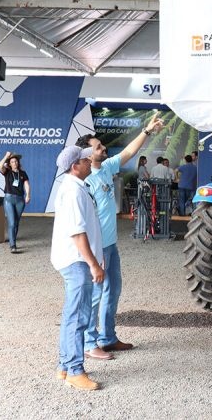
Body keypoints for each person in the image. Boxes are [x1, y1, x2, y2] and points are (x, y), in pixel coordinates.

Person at [75, 113, 164, 361]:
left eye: (101, 145)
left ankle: (107, 338)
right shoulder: (84, 180)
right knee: (95, 295)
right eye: (98, 147)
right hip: (96, 247)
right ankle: (89, 343)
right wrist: (92, 254)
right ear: (86, 154)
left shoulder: (104, 168)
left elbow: (127, 153)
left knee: (112, 290)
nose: (103, 148)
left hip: (110, 245)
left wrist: (147, 131)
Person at [51, 145, 104, 391]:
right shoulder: (73, 192)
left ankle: (64, 365)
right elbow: (77, 232)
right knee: (78, 316)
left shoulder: (75, 188)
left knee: (74, 314)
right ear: (75, 166)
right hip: (77, 262)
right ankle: (74, 370)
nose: (90, 160)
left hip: (76, 260)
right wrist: (93, 264)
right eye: (85, 159)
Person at [0, 152, 31, 253]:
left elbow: (27, 185)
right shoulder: (7, 172)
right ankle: (13, 245)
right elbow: (0, 166)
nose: (14, 163)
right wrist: (6, 156)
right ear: (9, 163)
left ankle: (13, 240)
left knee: (16, 223)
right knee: (12, 222)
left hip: (20, 200)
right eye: (12, 161)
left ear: (18, 162)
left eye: (16, 161)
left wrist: (28, 195)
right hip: (9, 199)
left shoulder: (23, 173)